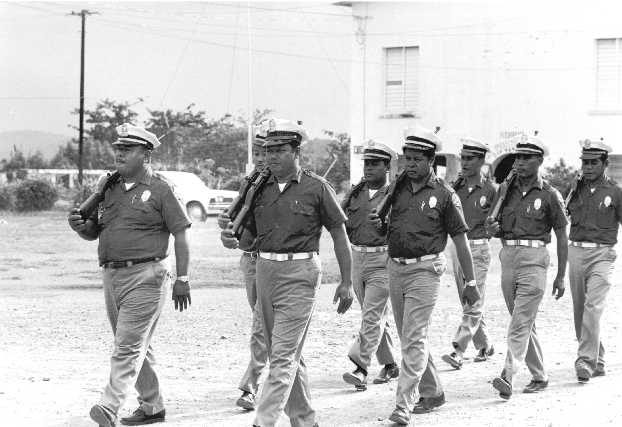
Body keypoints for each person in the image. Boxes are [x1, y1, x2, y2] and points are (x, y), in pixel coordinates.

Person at [220, 118, 353, 427]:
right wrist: (230, 239)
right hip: (264, 271)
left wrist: (346, 282)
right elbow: (245, 237)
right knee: (289, 354)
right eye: (268, 150)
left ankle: (263, 420)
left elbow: (339, 235)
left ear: (296, 152)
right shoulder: (257, 190)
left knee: (281, 357)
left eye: (280, 150)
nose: (271, 156)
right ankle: (306, 420)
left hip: (301, 272)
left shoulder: (317, 187)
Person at [68, 123, 192, 426]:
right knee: (137, 344)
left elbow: (181, 234)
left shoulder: (162, 189)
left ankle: (109, 405)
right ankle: (153, 406)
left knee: (127, 345)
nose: (119, 153)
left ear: (146, 155)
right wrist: (82, 228)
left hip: (147, 275)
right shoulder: (108, 188)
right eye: (118, 148)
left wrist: (183, 279)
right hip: (112, 275)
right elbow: (96, 231)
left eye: (128, 149)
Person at [370, 125, 480, 425]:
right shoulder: (397, 189)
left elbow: (461, 241)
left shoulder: (445, 194)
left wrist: (470, 283)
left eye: (417, 159)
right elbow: (386, 229)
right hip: (396, 267)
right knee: (410, 337)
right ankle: (433, 392)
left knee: (414, 336)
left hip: (425, 270)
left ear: (431, 160)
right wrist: (379, 223)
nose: (411, 165)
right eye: (407, 159)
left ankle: (403, 404)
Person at [485, 134, 567, 400]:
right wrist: (492, 229)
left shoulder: (550, 194)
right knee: (522, 319)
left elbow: (562, 235)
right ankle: (540, 374)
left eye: (526, 158)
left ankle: (508, 373)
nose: (520, 162)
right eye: (517, 157)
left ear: (539, 161)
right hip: (508, 257)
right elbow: (493, 227)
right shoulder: (504, 192)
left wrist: (561, 275)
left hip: (535, 259)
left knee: (520, 321)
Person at [341, 141, 399, 391]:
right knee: (373, 317)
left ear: (387, 167)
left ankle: (361, 367)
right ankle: (389, 365)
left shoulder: (395, 195)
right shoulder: (356, 192)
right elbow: (340, 221)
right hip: (358, 259)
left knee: (372, 315)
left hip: (382, 261)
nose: (369, 168)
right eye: (366, 163)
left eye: (375, 164)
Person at [217, 127, 269, 410]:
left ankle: (250, 386)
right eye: (258, 153)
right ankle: (293, 373)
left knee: (261, 324)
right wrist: (226, 229)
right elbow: (235, 225)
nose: (262, 158)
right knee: (266, 325)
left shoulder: (279, 185)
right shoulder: (249, 183)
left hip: (271, 262)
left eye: (267, 152)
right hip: (249, 259)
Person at [566, 138, 620, 383]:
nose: (587, 167)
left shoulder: (615, 192)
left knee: (593, 307)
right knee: (580, 309)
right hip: (576, 252)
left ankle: (585, 361)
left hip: (603, 254)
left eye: (593, 163)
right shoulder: (575, 188)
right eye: (584, 162)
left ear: (605, 163)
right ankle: (597, 359)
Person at [442, 137, 496, 369]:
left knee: (473, 300)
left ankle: (458, 349)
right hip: (457, 248)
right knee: (468, 301)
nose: (464, 163)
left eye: (470, 158)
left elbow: (497, 221)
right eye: (462, 158)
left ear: (482, 161)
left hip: (479, 248)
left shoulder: (492, 190)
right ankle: (485, 345)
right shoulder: (455, 188)